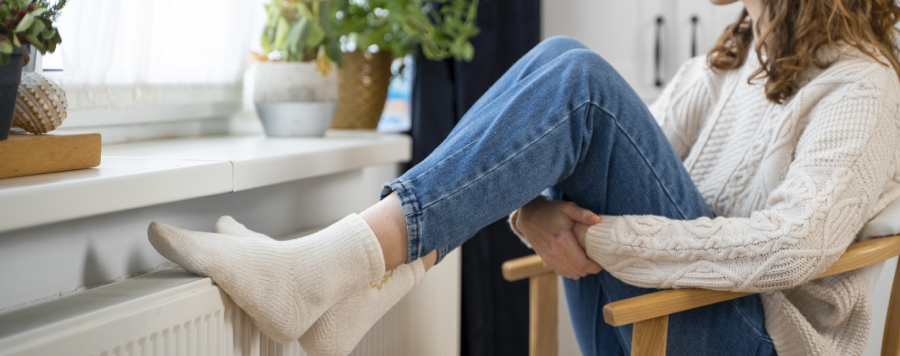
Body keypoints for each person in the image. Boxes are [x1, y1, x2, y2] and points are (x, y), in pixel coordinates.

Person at [147, 0, 900, 355]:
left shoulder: (863, 86)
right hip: (658, 313)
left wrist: (611, 242)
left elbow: (793, 248)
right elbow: (595, 153)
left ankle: (343, 270)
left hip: (751, 341)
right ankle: (357, 275)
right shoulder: (736, 59)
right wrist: (533, 216)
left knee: (580, 79)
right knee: (568, 68)